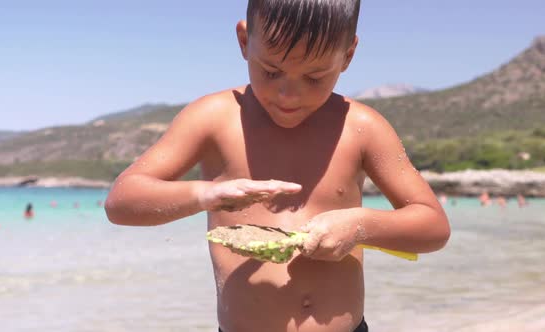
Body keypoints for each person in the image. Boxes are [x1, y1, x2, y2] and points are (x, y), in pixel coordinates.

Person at [105, 1, 450, 331]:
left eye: (315, 77)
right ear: (244, 41)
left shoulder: (362, 127)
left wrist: (361, 225)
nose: (289, 95)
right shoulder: (213, 118)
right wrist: (207, 194)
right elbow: (122, 202)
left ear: (347, 55)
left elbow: (433, 226)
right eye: (271, 71)